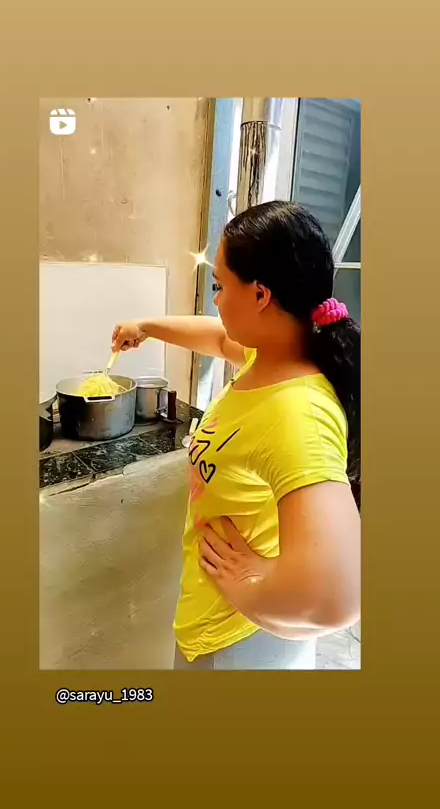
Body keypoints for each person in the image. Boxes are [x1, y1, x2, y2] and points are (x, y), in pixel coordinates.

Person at [112, 201, 361, 670]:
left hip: (242, 645)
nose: (217, 299)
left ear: (261, 295)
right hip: (216, 625)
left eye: (221, 286)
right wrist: (146, 327)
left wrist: (248, 586)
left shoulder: (297, 412)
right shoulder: (267, 357)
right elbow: (215, 336)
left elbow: (339, 596)